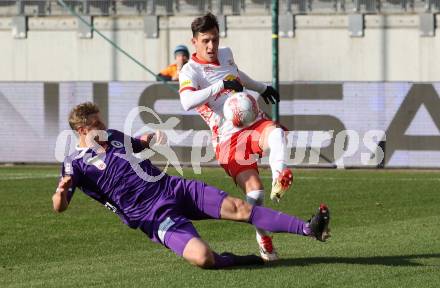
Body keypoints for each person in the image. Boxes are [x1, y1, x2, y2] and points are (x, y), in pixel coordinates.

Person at [52, 102, 331, 269]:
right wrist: (62, 192)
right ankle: (234, 260)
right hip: (152, 216)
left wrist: (147, 139)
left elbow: (135, 144)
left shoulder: (111, 136)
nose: (103, 124)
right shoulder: (74, 163)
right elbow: (59, 207)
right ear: (82, 130)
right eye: (97, 122)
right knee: (203, 258)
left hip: (172, 188)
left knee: (240, 208)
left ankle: (308, 228)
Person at [178, 12, 292, 261]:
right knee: (255, 193)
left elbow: (237, 74)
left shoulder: (226, 54)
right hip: (228, 140)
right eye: (206, 40)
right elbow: (186, 101)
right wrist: (221, 86)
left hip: (252, 121)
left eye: (215, 40)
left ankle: (279, 174)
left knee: (275, 133)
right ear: (194, 41)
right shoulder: (191, 70)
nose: (211, 46)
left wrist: (262, 88)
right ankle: (263, 237)